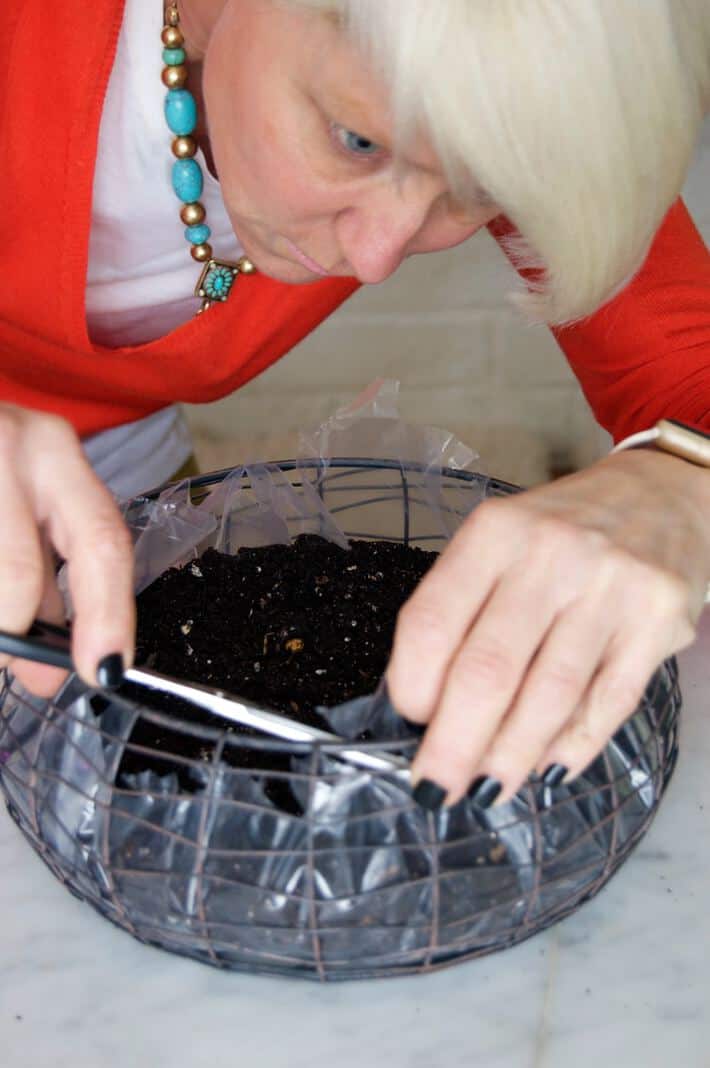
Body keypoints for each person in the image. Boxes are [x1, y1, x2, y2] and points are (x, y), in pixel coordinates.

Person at [2, 0, 710, 811]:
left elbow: (691, 373)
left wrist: (686, 481)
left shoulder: (495, 77)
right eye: (357, 140)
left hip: (120, 498)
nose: (377, 256)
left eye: (474, 192)